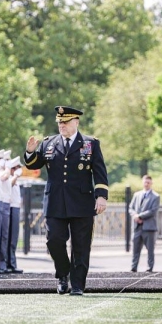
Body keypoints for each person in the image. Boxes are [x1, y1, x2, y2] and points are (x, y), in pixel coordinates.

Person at [24, 106, 108, 296]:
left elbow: (100, 172)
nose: (61, 125)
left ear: (76, 122)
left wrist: (101, 196)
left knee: (81, 245)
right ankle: (63, 274)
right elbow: (34, 163)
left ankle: (77, 285)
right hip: (55, 203)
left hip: (82, 202)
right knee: (54, 241)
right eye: (59, 122)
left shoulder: (90, 144)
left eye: (65, 122)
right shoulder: (49, 143)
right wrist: (30, 152)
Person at [128, 175, 160, 273]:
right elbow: (131, 208)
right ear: (142, 182)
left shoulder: (155, 196)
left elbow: (153, 211)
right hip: (137, 227)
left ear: (151, 183)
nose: (146, 184)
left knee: (150, 250)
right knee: (135, 249)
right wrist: (135, 216)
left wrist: (140, 216)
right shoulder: (137, 195)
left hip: (149, 227)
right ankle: (134, 267)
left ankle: (149, 268)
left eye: (148, 182)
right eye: (145, 182)